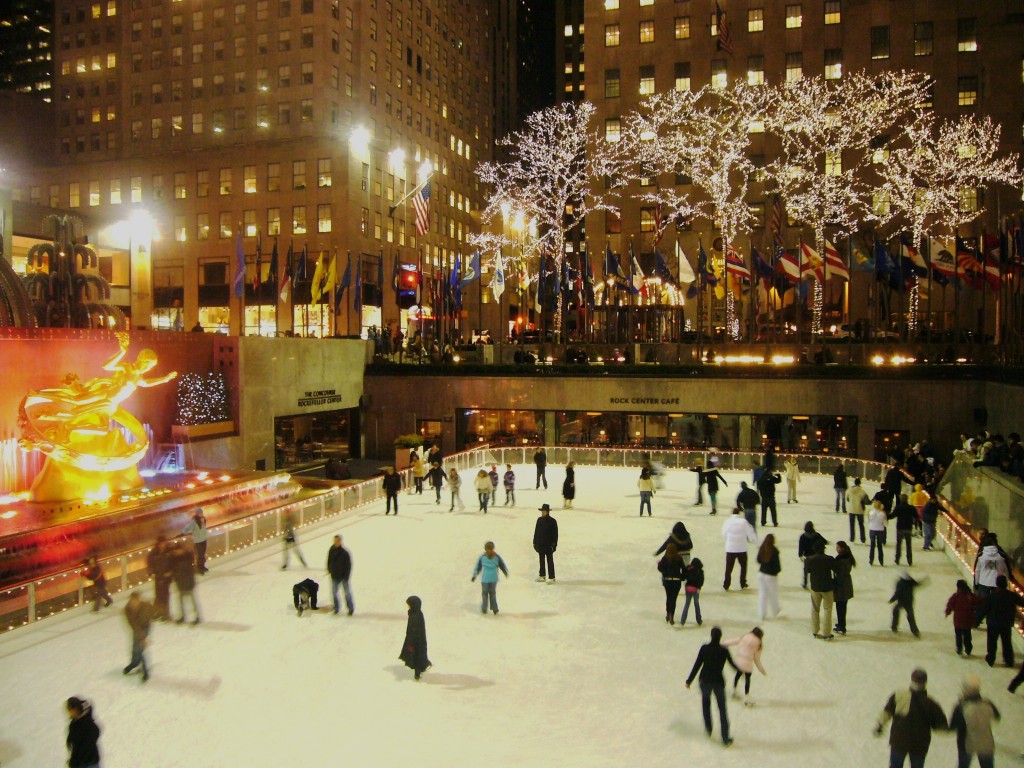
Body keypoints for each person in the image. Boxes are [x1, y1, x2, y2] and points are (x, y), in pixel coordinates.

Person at [875, 668, 947, 768]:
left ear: (912, 680)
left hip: (899, 740)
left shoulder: (898, 696)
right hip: (920, 744)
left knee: (895, 765)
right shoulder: (930, 703)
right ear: (925, 682)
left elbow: (887, 712)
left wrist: (880, 725)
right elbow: (941, 726)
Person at [685, 627, 738, 746]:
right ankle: (725, 738)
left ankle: (709, 728)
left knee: (706, 704)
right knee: (722, 710)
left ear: (711, 636)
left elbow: (697, 664)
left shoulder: (704, 649)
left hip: (705, 681)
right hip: (718, 682)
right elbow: (732, 664)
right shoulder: (724, 650)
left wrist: (689, 680)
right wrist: (741, 670)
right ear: (720, 637)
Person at [950, 676, 1000, 768]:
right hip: (986, 742)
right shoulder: (988, 703)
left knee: (963, 765)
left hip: (966, 744)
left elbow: (953, 726)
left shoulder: (961, 707)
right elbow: (997, 717)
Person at [981, 575, 1024, 667]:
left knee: (992, 642)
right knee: (1006, 642)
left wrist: (976, 621)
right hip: (1006, 623)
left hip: (993, 623)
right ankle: (1009, 660)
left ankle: (991, 659)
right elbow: (1022, 602)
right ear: (1006, 584)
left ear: (997, 584)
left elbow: (984, 609)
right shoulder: (1012, 596)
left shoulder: (992, 596)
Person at [723, 627, 767, 706]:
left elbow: (733, 641)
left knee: (738, 675)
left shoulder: (745, 637)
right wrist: (762, 670)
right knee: (747, 679)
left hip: (739, 660)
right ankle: (746, 697)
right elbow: (757, 660)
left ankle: (734, 690)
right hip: (748, 663)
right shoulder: (759, 644)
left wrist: (723, 644)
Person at [806, 543, 836, 640]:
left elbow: (807, 571)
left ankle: (815, 631)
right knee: (828, 610)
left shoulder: (809, 559)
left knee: (815, 609)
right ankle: (827, 633)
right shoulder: (829, 559)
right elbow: (835, 570)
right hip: (827, 587)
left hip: (815, 587)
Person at [721, 507, 756, 591]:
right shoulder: (743, 522)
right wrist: (753, 540)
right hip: (742, 548)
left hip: (730, 548)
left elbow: (724, 533)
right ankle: (742, 582)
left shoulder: (727, 522)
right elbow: (750, 532)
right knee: (743, 566)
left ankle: (726, 584)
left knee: (728, 568)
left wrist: (728, 540)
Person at [122, 591, 153, 683]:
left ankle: (145, 671)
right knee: (135, 647)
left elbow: (153, 612)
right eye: (132, 600)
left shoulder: (145, 605)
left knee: (140, 649)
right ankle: (134, 663)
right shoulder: (128, 609)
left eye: (136, 600)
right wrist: (139, 633)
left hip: (145, 627)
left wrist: (143, 637)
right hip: (136, 629)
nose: (134, 602)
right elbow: (132, 623)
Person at [945, 579, 981, 657]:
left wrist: (947, 612)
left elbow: (950, 605)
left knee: (958, 635)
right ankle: (968, 648)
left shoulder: (956, 596)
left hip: (958, 621)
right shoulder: (970, 596)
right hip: (967, 620)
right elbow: (979, 601)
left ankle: (959, 648)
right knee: (967, 635)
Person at [471, 541, 509, 615]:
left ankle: (494, 609)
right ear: (485, 549)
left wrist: (505, 572)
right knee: (485, 593)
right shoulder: (483, 557)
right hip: (485, 579)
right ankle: (484, 608)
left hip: (493, 579)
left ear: (493, 549)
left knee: (492, 593)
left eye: (490, 549)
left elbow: (502, 565)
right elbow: (478, 567)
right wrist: (474, 575)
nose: (489, 551)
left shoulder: (496, 557)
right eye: (487, 549)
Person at [399, 596, 431, 680]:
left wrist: (410, 642)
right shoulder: (416, 613)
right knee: (417, 656)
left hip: (416, 641)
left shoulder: (415, 616)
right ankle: (421, 668)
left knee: (417, 656)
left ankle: (418, 674)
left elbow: (414, 630)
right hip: (416, 640)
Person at [66, 696, 102, 768]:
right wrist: (69, 739)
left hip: (90, 762)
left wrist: (75, 761)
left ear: (78, 708)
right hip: (81, 762)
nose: (72, 712)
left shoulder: (87, 723)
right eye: (70, 710)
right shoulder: (74, 722)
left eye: (74, 709)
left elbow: (86, 746)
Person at [171, 541, 201, 625]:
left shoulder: (187, 557)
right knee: (181, 601)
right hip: (181, 583)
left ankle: (197, 616)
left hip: (188, 582)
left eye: (177, 551)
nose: (176, 552)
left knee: (192, 601)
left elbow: (189, 571)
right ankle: (183, 616)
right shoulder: (175, 558)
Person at [890, 569, 924, 638]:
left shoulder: (900, 583)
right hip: (909, 601)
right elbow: (917, 584)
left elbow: (897, 593)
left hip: (901, 602)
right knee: (910, 615)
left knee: (896, 611)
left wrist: (892, 600)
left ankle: (894, 627)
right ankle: (915, 631)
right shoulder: (910, 581)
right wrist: (923, 581)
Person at [658, 542, 686, 624]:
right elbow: (684, 569)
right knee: (673, 599)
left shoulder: (665, 558)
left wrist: (665, 572)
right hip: (676, 581)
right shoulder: (679, 558)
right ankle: (671, 615)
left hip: (667, 580)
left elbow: (660, 568)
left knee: (668, 597)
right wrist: (682, 577)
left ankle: (668, 613)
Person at [326, 535, 354, 616]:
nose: (336, 542)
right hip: (334, 576)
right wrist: (329, 569)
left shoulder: (345, 553)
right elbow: (329, 560)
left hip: (343, 577)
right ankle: (336, 608)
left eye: (338, 541)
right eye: (335, 541)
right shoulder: (331, 550)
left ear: (340, 541)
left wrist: (346, 577)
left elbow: (348, 565)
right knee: (334, 593)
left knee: (347, 593)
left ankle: (350, 608)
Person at [146, 537, 173, 621]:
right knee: (158, 596)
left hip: (166, 577)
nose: (163, 545)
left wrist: (171, 571)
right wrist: (151, 573)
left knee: (165, 595)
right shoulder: (153, 553)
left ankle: (165, 614)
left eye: (164, 543)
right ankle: (157, 612)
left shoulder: (169, 551)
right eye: (161, 543)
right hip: (158, 577)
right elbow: (149, 564)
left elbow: (173, 562)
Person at [832, 541, 856, 635]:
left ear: (842, 548)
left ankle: (842, 626)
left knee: (840, 606)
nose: (836, 549)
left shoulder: (840, 560)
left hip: (840, 584)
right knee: (843, 606)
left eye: (838, 547)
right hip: (846, 583)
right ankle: (842, 624)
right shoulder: (848, 557)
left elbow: (837, 569)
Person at [756, 534, 781, 620]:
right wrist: (776, 572)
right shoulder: (775, 551)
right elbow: (778, 566)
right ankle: (775, 610)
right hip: (771, 575)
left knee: (762, 594)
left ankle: (762, 613)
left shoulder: (762, 547)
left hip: (761, 574)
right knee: (773, 594)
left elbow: (758, 560)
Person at [533, 504, 558, 583]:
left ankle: (552, 577)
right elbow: (536, 532)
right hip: (540, 544)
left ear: (547, 511)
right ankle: (542, 575)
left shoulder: (552, 521)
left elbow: (555, 534)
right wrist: (535, 542)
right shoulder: (539, 520)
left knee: (550, 561)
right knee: (541, 560)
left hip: (548, 545)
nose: (542, 513)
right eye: (542, 511)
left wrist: (554, 545)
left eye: (544, 511)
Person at [798, 522, 827, 589]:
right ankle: (816, 583)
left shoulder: (803, 536)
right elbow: (824, 541)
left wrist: (800, 555)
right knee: (816, 570)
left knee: (806, 570)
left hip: (807, 557)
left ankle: (805, 583)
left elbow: (801, 547)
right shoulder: (817, 535)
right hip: (816, 555)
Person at [181, 508, 208, 574]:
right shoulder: (194, 522)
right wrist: (182, 533)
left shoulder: (203, 519)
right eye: (200, 513)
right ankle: (199, 568)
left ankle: (202, 566)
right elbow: (188, 527)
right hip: (198, 541)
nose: (201, 514)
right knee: (200, 555)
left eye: (202, 512)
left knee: (202, 554)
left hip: (204, 539)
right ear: (197, 514)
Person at [893, 493, 917, 566]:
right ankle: (909, 560)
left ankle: (897, 559)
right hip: (908, 528)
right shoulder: (911, 508)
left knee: (899, 544)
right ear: (907, 499)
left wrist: (885, 515)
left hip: (900, 528)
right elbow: (916, 516)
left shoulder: (898, 507)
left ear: (900, 499)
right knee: (908, 545)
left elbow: (892, 515)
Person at [681, 558, 705, 625]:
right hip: (695, 590)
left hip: (688, 589)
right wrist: (698, 587)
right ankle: (699, 620)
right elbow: (701, 581)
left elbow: (683, 577)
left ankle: (683, 620)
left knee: (687, 604)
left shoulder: (689, 570)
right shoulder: (700, 572)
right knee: (696, 605)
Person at [846, 477, 869, 544]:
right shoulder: (862, 492)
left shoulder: (849, 490)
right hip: (859, 510)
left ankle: (852, 538)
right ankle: (863, 538)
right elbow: (867, 501)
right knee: (861, 525)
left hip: (851, 509)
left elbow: (847, 499)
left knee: (852, 525)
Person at [868, 499, 889, 566]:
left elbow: (867, 521)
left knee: (872, 545)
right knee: (880, 546)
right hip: (880, 530)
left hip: (872, 529)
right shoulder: (882, 514)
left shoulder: (870, 512)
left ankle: (871, 560)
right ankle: (881, 560)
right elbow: (885, 524)